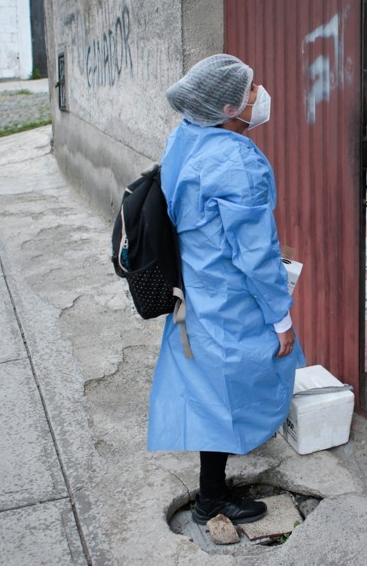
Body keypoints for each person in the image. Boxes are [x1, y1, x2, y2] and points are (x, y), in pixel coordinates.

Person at [146, 54, 305, 525]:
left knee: (207, 392)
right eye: (253, 89)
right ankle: (211, 500)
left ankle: (211, 490)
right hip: (232, 301)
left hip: (196, 291)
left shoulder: (183, 137)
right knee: (234, 390)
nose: (262, 94)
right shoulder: (236, 159)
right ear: (230, 107)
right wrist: (281, 319)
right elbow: (256, 255)